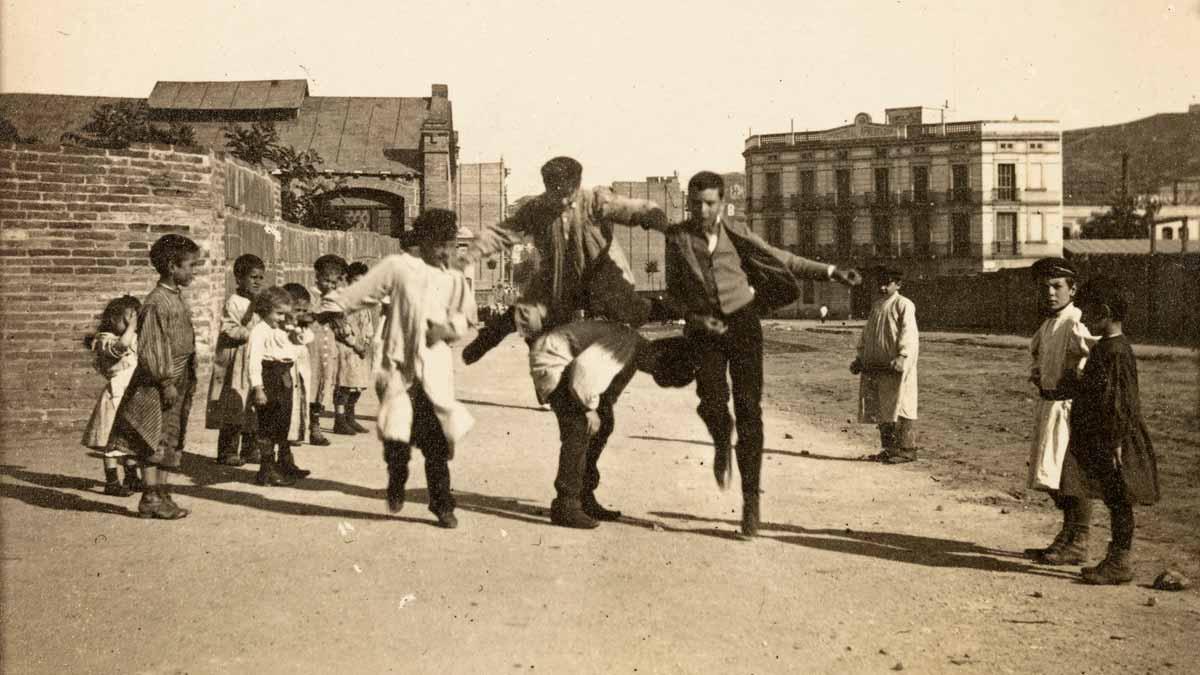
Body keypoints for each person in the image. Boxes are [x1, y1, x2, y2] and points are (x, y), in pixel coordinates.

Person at [661, 171, 861, 537]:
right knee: (711, 400)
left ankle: (751, 501)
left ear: (721, 203)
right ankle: (722, 438)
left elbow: (782, 257)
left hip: (743, 325)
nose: (701, 210)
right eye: (695, 203)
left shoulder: (737, 232)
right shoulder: (677, 238)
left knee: (749, 409)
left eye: (709, 203)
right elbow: (673, 291)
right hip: (705, 330)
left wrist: (830, 271)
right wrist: (694, 317)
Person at [319, 209, 476, 529]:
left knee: (436, 441)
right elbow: (356, 295)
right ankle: (396, 480)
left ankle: (442, 503)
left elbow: (464, 317)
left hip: (433, 370)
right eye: (440, 244)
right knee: (397, 436)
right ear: (424, 242)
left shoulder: (455, 278)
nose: (446, 252)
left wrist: (447, 330)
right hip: (398, 367)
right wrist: (320, 310)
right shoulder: (398, 269)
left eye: (451, 244)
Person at [460, 156, 667, 365]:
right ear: (546, 187)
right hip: (557, 277)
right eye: (554, 195)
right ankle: (490, 336)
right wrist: (470, 254)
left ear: (576, 186)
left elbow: (630, 208)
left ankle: (672, 309)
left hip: (599, 273)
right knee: (528, 314)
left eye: (567, 195)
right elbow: (502, 232)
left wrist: (655, 218)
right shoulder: (536, 208)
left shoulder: (595, 200)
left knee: (631, 310)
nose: (561, 202)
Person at [528, 319, 700, 528]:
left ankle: (584, 496)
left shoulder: (636, 354)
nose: (650, 371)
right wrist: (588, 410)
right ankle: (567, 504)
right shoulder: (625, 345)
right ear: (657, 353)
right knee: (580, 427)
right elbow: (582, 375)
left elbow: (607, 397)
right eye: (654, 368)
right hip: (553, 361)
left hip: (566, 363)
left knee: (604, 424)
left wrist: (600, 415)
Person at [1058, 276, 1159, 584]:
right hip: (1106, 436)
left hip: (1117, 439)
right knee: (1114, 497)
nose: (1083, 318)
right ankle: (1115, 559)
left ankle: (1120, 562)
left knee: (1119, 499)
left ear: (1102, 312)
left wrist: (1116, 441)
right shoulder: (1105, 348)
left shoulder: (1116, 351)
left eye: (1087, 312)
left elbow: (1121, 399)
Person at [106, 234, 201, 520]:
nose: (193, 272)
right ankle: (150, 497)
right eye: (190, 266)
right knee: (153, 438)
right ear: (173, 267)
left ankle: (160, 492)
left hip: (178, 377)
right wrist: (166, 381)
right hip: (158, 383)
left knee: (170, 437)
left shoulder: (174, 297)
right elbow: (153, 346)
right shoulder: (156, 302)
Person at [1023, 257, 1095, 565]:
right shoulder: (1049, 323)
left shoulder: (1076, 320)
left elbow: (1095, 355)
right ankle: (1067, 534)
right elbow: (1039, 355)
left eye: (1057, 286)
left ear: (1073, 289)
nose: (1050, 293)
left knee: (1070, 476)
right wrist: (1037, 372)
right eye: (1045, 287)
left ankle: (1079, 538)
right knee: (1051, 476)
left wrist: (1078, 373)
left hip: (1070, 409)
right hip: (1049, 405)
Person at [851, 267, 919, 464]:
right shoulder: (877, 306)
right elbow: (867, 335)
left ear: (897, 284)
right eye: (879, 282)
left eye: (887, 283)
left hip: (896, 367)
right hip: (877, 367)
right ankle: (889, 449)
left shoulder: (904, 304)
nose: (882, 286)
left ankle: (906, 449)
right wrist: (860, 358)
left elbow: (909, 334)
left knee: (901, 404)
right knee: (883, 408)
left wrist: (903, 357)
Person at [247, 286, 310, 487]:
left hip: (285, 376)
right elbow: (253, 361)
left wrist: (296, 330)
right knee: (267, 424)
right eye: (279, 313)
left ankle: (282, 464)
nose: (282, 318)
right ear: (265, 309)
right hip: (269, 377)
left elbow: (302, 342)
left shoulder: (282, 329)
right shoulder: (259, 331)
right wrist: (257, 387)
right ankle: (266, 470)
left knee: (282, 422)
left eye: (285, 313)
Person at [205, 253, 265, 466]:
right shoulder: (235, 302)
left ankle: (251, 448)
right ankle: (228, 451)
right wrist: (252, 328)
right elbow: (230, 329)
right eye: (253, 277)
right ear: (239, 279)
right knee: (234, 404)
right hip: (236, 361)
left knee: (252, 406)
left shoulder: (260, 301)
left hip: (254, 361)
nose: (258, 282)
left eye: (260, 278)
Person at [81, 294, 143, 496]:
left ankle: (132, 476)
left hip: (132, 393)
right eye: (125, 321)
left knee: (131, 439)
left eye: (132, 320)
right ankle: (112, 481)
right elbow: (120, 348)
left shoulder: (133, 337)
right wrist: (132, 327)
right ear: (112, 319)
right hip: (115, 395)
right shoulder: (104, 340)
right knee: (111, 440)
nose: (128, 326)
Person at [307, 254, 351, 447]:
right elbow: (305, 317)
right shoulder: (311, 295)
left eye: (334, 282)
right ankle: (308, 426)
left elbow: (342, 323)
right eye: (326, 280)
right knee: (310, 384)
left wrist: (342, 325)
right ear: (317, 276)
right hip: (311, 348)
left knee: (323, 384)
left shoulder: (336, 297)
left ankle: (315, 424)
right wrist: (322, 315)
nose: (330, 286)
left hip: (328, 347)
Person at [332, 261, 374, 435]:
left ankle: (350, 416)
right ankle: (339, 420)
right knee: (344, 385)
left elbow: (369, 323)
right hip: (347, 349)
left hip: (360, 350)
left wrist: (366, 341)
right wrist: (355, 344)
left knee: (358, 385)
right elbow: (342, 327)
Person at [283, 283, 316, 451]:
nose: (301, 315)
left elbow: (305, 338)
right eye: (297, 310)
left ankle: (297, 432)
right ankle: (288, 433)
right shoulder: (282, 328)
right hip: (288, 369)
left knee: (302, 398)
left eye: (304, 311)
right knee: (290, 401)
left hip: (302, 369)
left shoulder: (302, 328)